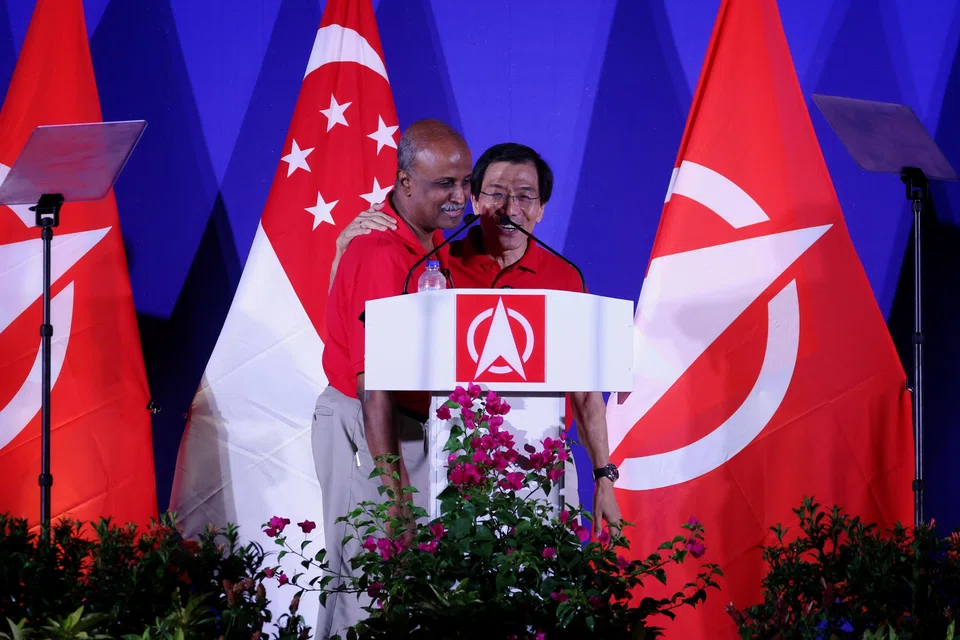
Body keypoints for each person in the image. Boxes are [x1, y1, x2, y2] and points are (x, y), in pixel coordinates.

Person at [332, 142, 623, 536]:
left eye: (525, 196)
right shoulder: (437, 265)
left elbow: (586, 392)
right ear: (473, 200)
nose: (510, 208)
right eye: (495, 194)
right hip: (454, 461)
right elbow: (357, 330)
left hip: (541, 459)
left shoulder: (566, 279)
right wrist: (341, 255)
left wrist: (604, 474)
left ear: (541, 209)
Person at [313, 118, 472, 639]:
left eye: (465, 181)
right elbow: (373, 381)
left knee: (390, 588)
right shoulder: (383, 253)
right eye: (444, 184)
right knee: (367, 586)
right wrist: (393, 490)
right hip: (371, 423)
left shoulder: (427, 241)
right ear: (405, 183)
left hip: (400, 425)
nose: (460, 196)